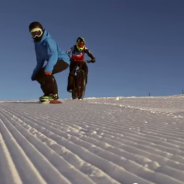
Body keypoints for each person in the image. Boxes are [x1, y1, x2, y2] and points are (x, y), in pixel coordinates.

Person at [29, 21, 70, 101]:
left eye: (38, 32)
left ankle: (53, 94)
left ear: (42, 31)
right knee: (39, 75)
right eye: (33, 34)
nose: (36, 36)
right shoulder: (37, 45)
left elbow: (53, 55)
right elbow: (40, 61)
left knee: (47, 72)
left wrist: (48, 69)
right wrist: (34, 74)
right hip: (53, 61)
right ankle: (47, 94)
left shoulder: (48, 40)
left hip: (63, 61)